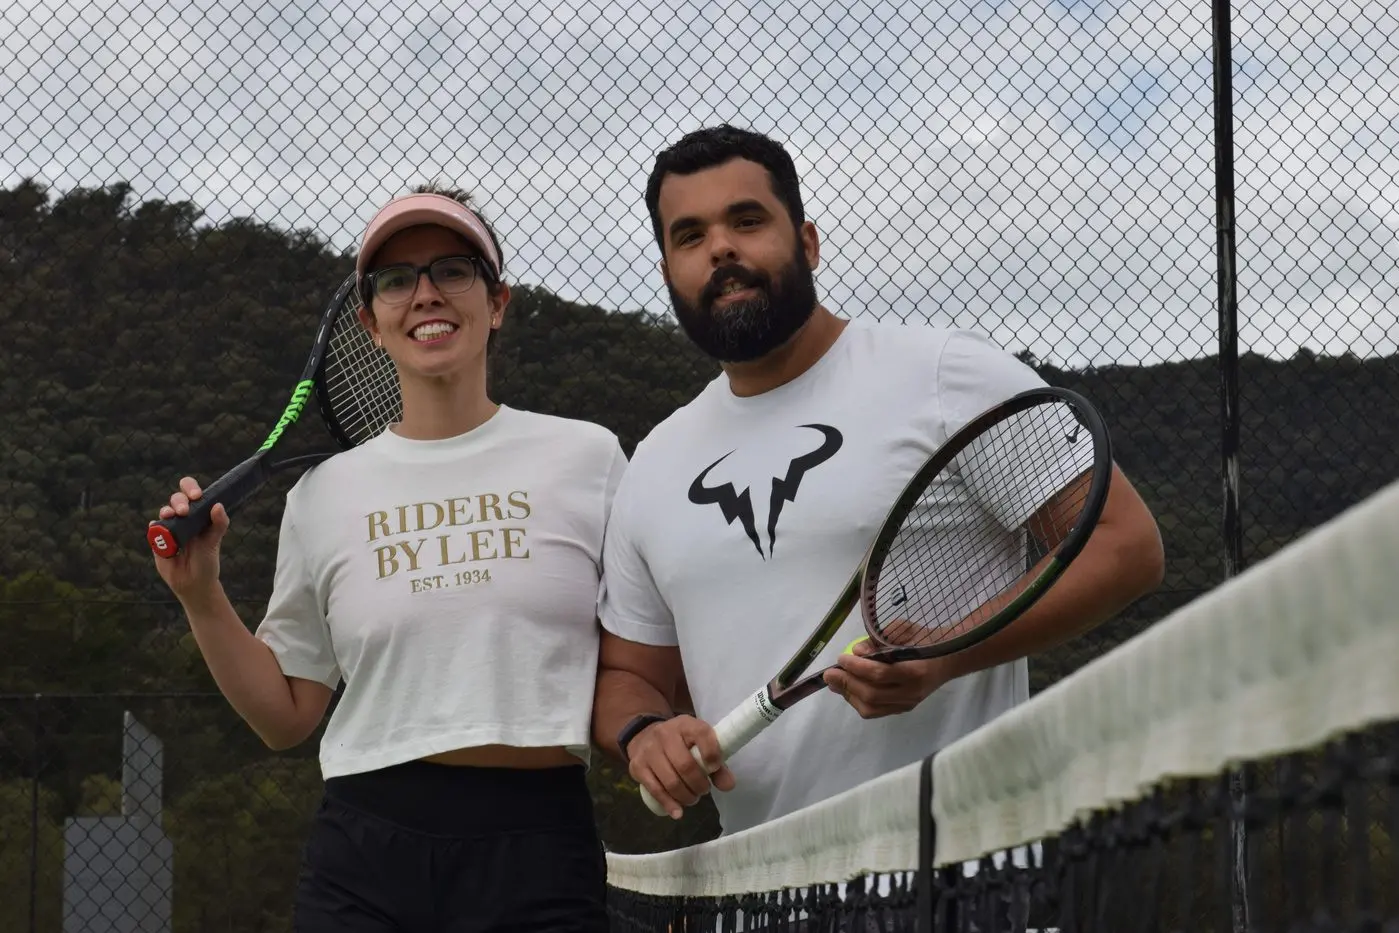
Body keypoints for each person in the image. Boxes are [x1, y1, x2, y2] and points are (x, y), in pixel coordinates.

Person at [591, 125, 1166, 835]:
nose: (720, 249)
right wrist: (645, 730)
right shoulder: (654, 461)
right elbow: (628, 674)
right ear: (668, 270)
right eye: (689, 235)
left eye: (746, 220)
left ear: (806, 242)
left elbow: (1124, 545)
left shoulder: (942, 376)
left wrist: (946, 655)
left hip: (957, 868)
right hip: (756, 890)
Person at [151, 183, 626, 931]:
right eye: (396, 280)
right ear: (370, 321)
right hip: (364, 851)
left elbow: (638, 648)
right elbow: (286, 715)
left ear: (497, 301)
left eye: (452, 270)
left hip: (539, 841)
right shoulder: (321, 494)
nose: (425, 294)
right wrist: (201, 595)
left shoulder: (588, 456)